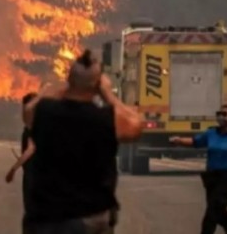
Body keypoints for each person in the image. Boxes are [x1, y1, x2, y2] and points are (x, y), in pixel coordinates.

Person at [22, 49, 143, 234]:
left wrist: (61, 88)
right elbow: (136, 125)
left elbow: (28, 111)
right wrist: (108, 95)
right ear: (97, 85)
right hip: (89, 218)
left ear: (69, 80)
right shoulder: (105, 120)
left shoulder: (45, 113)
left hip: (45, 219)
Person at [170, 105, 227, 234]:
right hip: (212, 178)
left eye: (224, 114)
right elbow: (195, 142)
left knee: (214, 209)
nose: (220, 116)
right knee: (218, 211)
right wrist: (179, 140)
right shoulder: (211, 133)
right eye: (219, 113)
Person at [5, 92, 38, 214]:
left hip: (33, 173)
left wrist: (13, 169)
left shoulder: (33, 127)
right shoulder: (38, 125)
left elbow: (30, 149)